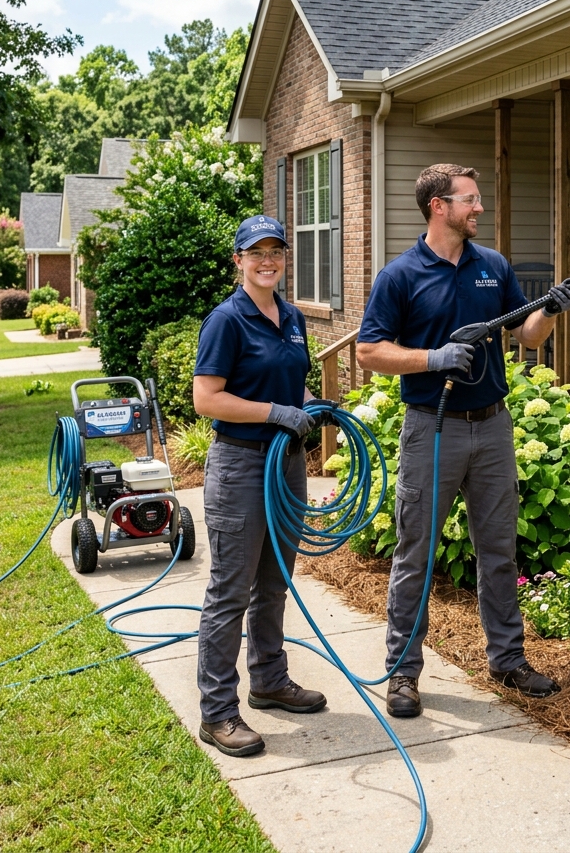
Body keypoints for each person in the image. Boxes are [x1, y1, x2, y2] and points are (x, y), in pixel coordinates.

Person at [357, 164, 570, 718]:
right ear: (439, 206)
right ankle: (403, 673)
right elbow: (369, 350)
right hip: (432, 429)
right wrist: (433, 358)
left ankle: (507, 659)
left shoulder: (492, 267)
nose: (479, 209)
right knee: (416, 553)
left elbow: (525, 333)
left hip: (493, 426)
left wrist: (550, 311)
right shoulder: (401, 275)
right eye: (471, 200)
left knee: (499, 551)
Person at [192, 214, 328, 757]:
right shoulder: (226, 320)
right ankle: (218, 712)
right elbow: (207, 399)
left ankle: (269, 680)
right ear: (238, 261)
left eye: (277, 251)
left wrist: (309, 411)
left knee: (274, 582)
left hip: (284, 464)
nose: (268, 260)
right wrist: (276, 412)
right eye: (257, 253)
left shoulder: (290, 316)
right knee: (229, 591)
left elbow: (287, 384)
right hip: (241, 466)